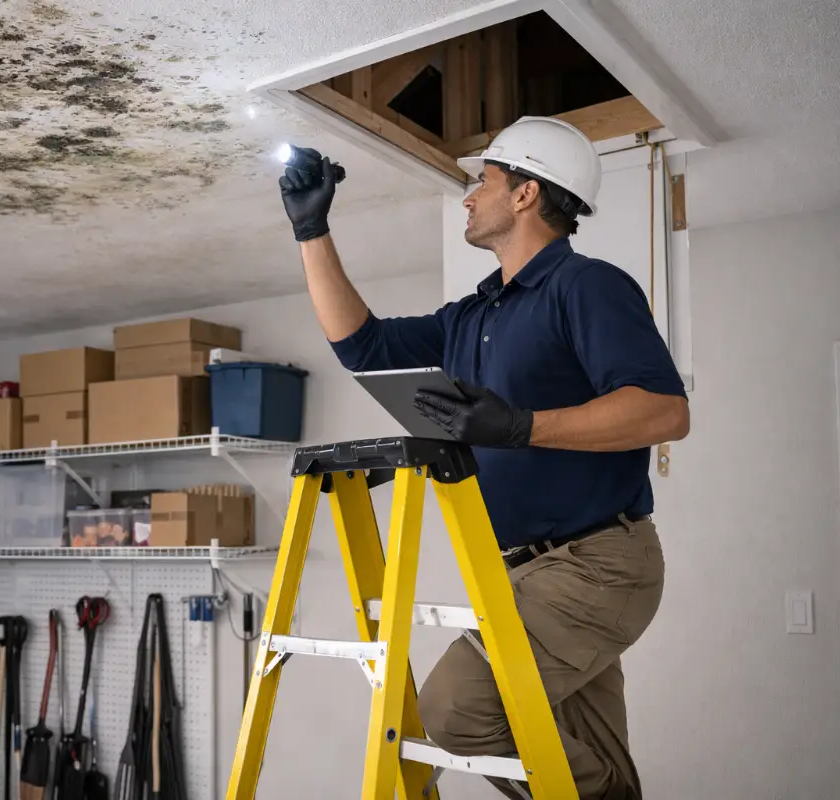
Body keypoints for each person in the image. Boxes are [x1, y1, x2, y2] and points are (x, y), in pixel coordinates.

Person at [277, 117, 689, 800]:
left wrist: (521, 426)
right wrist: (310, 232)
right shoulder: (474, 315)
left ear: (527, 194)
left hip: (596, 566)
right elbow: (363, 347)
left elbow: (664, 410)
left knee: (452, 712)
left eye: (484, 181)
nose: (468, 197)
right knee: (595, 763)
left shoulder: (586, 287)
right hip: (522, 573)